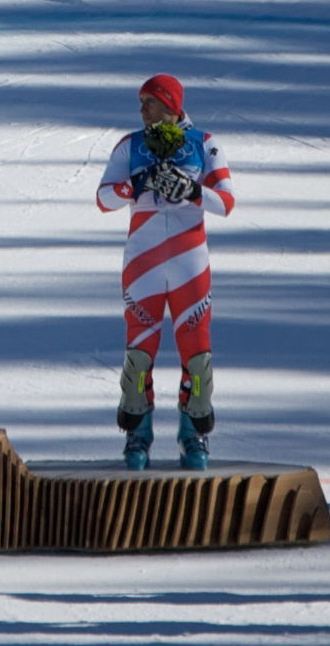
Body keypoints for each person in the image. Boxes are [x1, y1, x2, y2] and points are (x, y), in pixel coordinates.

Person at [96, 74, 235, 470]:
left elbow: (225, 202)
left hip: (190, 259)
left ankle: (193, 435)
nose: (141, 109)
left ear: (171, 104)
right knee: (139, 354)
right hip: (143, 262)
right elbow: (104, 197)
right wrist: (136, 184)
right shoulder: (130, 145)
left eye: (149, 102)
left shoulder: (205, 144)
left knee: (197, 356)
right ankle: (139, 434)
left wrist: (191, 191)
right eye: (140, 102)